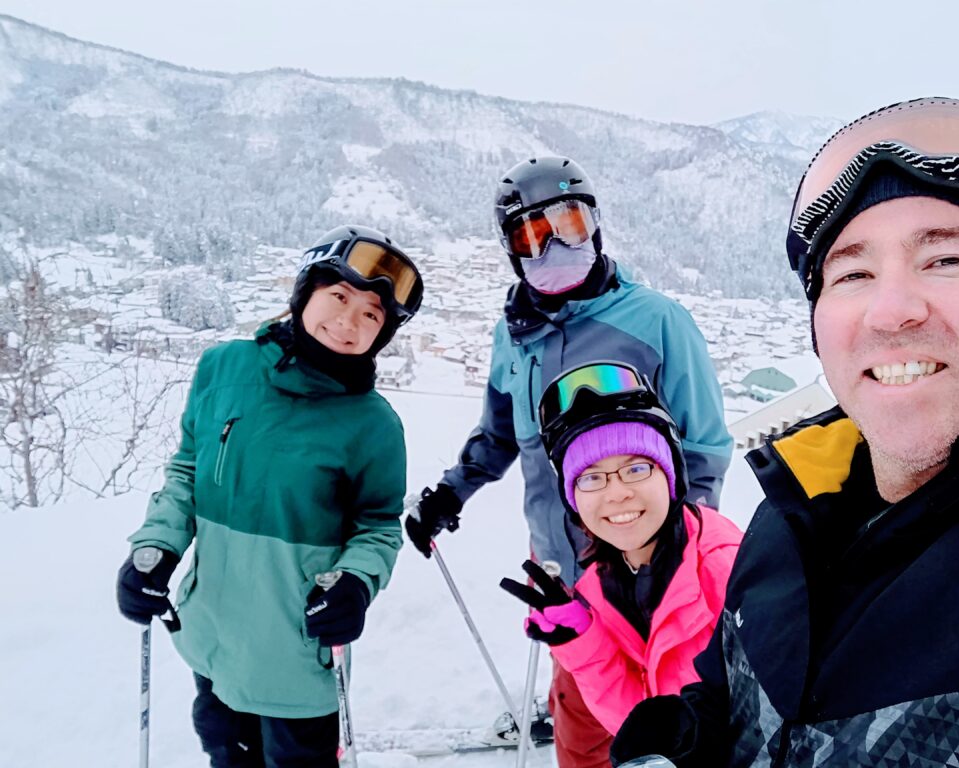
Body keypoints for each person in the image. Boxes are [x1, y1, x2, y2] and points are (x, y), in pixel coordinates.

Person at [610, 96, 959, 767]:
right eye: (853, 273)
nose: (890, 312)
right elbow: (733, 702)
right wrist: (683, 742)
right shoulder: (790, 513)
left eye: (946, 258)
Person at [404, 156, 733, 767]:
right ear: (510, 250)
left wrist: (672, 563)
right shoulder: (516, 335)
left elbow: (705, 451)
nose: (554, 243)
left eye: (569, 223)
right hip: (565, 579)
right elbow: (501, 435)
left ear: (597, 227)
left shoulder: (656, 321)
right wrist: (452, 494)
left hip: (657, 584)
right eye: (532, 234)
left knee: (677, 730)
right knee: (585, 728)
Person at [116, 224, 423, 767]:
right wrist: (157, 546)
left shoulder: (373, 426)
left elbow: (376, 525)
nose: (349, 321)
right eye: (340, 297)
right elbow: (188, 469)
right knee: (224, 751)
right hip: (211, 634)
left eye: (372, 315)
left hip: (299, 654)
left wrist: (355, 582)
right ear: (306, 293)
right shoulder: (223, 368)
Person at [500, 361, 742, 742]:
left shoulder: (727, 573)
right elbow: (642, 728)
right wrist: (583, 645)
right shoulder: (600, 589)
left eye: (636, 469)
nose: (617, 493)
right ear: (573, 498)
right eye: (592, 477)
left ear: (671, 475)